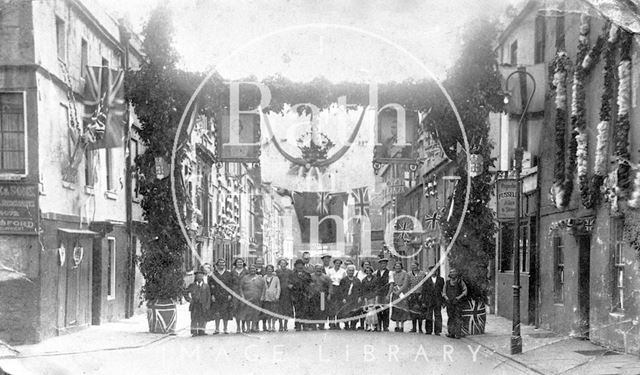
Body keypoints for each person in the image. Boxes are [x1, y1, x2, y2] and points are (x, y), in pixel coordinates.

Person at [209, 259, 234, 334]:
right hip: (216, 296)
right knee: (217, 313)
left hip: (226, 296)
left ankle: (225, 328)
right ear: (217, 265)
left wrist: (230, 294)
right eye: (220, 264)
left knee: (225, 312)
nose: (221, 265)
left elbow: (231, 285)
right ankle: (217, 329)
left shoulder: (228, 274)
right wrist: (212, 295)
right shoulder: (213, 274)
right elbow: (210, 285)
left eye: (223, 264)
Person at [239, 264, 265, 333]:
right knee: (248, 314)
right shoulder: (245, 278)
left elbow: (264, 288)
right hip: (248, 299)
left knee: (255, 313)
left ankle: (253, 327)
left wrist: (262, 296)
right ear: (248, 270)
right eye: (251, 269)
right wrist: (242, 297)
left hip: (257, 298)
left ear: (256, 270)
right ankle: (247, 328)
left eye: (254, 269)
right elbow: (241, 288)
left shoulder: (260, 278)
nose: (252, 270)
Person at [443, 268, 468, 339]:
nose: (452, 273)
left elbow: (465, 291)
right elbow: (443, 292)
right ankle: (451, 333)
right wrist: (446, 298)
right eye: (451, 272)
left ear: (456, 274)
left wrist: (459, 297)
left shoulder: (460, 282)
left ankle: (458, 334)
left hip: (458, 302)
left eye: (454, 272)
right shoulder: (447, 282)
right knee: (450, 317)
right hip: (449, 302)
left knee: (458, 317)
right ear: (449, 274)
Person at [185, 270, 211, 336]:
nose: (200, 277)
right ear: (196, 277)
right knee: (194, 318)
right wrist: (189, 299)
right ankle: (194, 332)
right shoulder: (192, 285)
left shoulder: (206, 286)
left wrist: (207, 305)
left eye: (201, 275)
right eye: (198, 276)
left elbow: (209, 296)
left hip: (203, 304)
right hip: (194, 304)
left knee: (202, 318)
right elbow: (185, 292)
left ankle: (201, 331)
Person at [289, 259, 313, 331]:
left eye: (301, 265)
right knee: (297, 310)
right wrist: (292, 287)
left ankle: (305, 325)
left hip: (305, 294)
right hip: (296, 295)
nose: (300, 267)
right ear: (295, 266)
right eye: (298, 265)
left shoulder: (307, 274)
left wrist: (309, 293)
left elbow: (311, 284)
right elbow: (289, 284)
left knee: (305, 310)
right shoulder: (292, 275)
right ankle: (298, 325)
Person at [337, 265, 362, 330]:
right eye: (349, 270)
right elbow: (340, 290)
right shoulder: (343, 280)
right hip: (346, 298)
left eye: (352, 271)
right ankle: (346, 325)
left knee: (355, 312)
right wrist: (343, 298)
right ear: (347, 271)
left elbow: (360, 289)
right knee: (346, 312)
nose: (351, 272)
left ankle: (353, 325)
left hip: (355, 298)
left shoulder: (357, 280)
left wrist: (359, 297)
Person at [422, 266, 444, 335]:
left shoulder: (441, 279)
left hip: (438, 300)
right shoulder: (426, 279)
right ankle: (429, 330)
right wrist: (423, 301)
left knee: (438, 315)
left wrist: (443, 302)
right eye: (431, 271)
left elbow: (443, 291)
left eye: (435, 271)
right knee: (428, 315)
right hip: (429, 300)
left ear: (437, 272)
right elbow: (424, 291)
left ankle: (437, 331)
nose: (433, 272)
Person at [310, 264, 333, 330]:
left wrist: (329, 294)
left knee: (322, 310)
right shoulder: (311, 276)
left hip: (323, 295)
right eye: (317, 268)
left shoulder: (326, 277)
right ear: (315, 269)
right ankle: (313, 325)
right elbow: (307, 285)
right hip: (313, 296)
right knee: (314, 310)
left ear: (322, 269)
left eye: (320, 268)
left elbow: (330, 286)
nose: (318, 269)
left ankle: (321, 325)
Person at [389, 261, 410, 332]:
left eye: (399, 266)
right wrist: (394, 291)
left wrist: (399, 291)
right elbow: (392, 283)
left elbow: (405, 284)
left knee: (402, 309)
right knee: (396, 309)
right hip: (395, 294)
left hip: (402, 294)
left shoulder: (405, 273)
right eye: (396, 266)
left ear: (401, 267)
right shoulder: (393, 274)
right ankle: (397, 325)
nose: (397, 267)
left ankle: (402, 326)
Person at [327, 258, 346, 329]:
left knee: (339, 307)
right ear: (334, 263)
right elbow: (328, 282)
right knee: (331, 307)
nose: (338, 264)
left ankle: (337, 323)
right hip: (332, 289)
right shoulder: (330, 271)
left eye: (339, 263)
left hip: (340, 290)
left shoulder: (343, 271)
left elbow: (344, 282)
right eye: (336, 263)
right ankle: (331, 324)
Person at [407, 261, 426, 333]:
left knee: (420, 312)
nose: (413, 267)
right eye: (412, 266)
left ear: (418, 266)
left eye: (414, 266)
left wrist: (423, 294)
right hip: (412, 294)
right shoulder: (409, 274)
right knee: (413, 312)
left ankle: (420, 328)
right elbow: (408, 285)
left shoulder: (423, 274)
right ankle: (414, 328)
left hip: (420, 294)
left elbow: (425, 285)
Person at [261, 264, 281, 332]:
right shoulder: (264, 277)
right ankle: (269, 325)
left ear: (272, 270)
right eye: (268, 269)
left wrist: (277, 296)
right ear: (266, 270)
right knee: (268, 312)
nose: (269, 271)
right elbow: (263, 288)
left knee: (274, 312)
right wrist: (262, 297)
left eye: (270, 269)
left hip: (273, 297)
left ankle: (273, 325)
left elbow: (278, 287)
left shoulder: (276, 278)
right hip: (266, 297)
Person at [276, 259, 294, 331]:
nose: (283, 264)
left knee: (287, 309)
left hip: (287, 292)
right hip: (280, 292)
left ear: (286, 264)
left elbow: (293, 280)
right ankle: (280, 324)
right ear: (279, 264)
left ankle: (285, 324)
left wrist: (291, 285)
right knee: (280, 309)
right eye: (281, 263)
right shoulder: (277, 271)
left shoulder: (290, 271)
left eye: (284, 263)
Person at [231, 258, 248, 333]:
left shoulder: (246, 271)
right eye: (238, 262)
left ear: (243, 263)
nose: (239, 264)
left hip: (244, 292)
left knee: (243, 308)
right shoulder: (232, 271)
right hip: (235, 292)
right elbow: (230, 282)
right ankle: (238, 326)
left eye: (241, 262)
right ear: (235, 263)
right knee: (236, 309)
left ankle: (243, 325)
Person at [374, 257, 391, 331]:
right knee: (378, 309)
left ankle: (385, 326)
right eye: (382, 263)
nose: (383, 265)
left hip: (385, 293)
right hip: (378, 294)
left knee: (386, 310)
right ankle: (378, 326)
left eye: (385, 263)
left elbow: (391, 284)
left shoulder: (389, 273)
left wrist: (388, 295)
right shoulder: (376, 272)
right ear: (379, 265)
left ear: (386, 264)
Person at [359, 265, 378, 330]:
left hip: (373, 297)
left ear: (371, 271)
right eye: (366, 271)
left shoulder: (375, 279)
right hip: (366, 298)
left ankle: (374, 325)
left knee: (373, 312)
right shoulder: (364, 280)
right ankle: (368, 325)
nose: (368, 272)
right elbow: (363, 290)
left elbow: (376, 289)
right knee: (367, 312)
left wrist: (375, 297)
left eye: (369, 271)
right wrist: (365, 298)